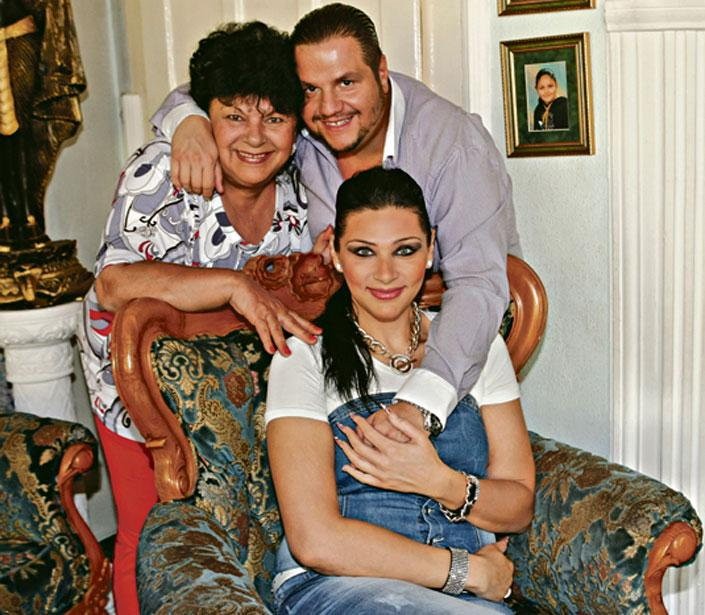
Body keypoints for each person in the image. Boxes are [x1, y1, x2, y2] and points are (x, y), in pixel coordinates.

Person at [150, 3, 521, 443]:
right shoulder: (303, 132)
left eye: (346, 82)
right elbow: (220, 89)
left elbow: (479, 284)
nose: (329, 108)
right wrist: (188, 122)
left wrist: (421, 401)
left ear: (381, 72)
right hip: (331, 361)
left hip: (443, 363)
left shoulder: (453, 145)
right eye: (310, 89)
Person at [78, 22, 321, 615]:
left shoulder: (302, 178)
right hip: (134, 379)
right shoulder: (162, 170)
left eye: (274, 118)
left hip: (238, 387)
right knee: (153, 529)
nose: (255, 137)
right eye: (233, 116)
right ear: (205, 117)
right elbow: (113, 283)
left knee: (244, 527)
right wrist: (233, 285)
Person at [265, 167, 534, 614]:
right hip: (338, 586)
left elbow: (518, 505)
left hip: (465, 601)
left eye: (405, 250)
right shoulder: (304, 358)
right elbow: (315, 540)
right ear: (335, 253)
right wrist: (467, 571)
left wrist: (439, 481)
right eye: (363, 252)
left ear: (430, 249)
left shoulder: (478, 346)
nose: (386, 274)